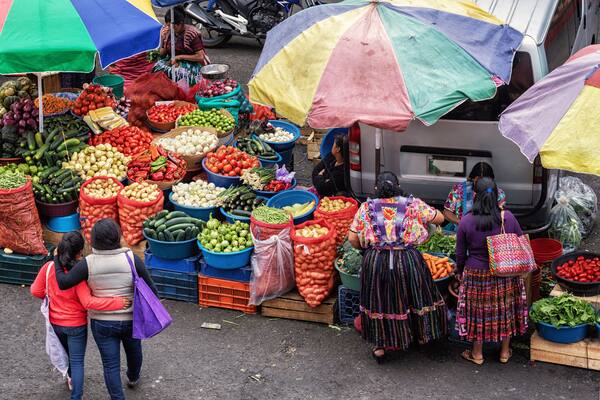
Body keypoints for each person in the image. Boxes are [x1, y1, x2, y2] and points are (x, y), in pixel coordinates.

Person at [348, 171, 447, 363]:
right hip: (407, 259)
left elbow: (352, 238)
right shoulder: (413, 204)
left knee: (378, 300)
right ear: (398, 186)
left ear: (376, 188)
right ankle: (419, 336)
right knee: (413, 296)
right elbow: (440, 218)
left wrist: (366, 247)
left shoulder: (366, 208)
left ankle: (380, 347)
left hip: (376, 260)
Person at [54, 219, 158, 400]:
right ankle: (133, 377)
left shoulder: (88, 263)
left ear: (93, 240)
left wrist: (56, 258)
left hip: (102, 323)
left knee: (110, 365)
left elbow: (63, 283)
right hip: (131, 319)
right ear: (117, 237)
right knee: (134, 350)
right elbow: (153, 291)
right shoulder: (131, 258)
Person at [30, 232, 131, 400]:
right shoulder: (78, 274)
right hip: (76, 326)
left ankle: (71, 380)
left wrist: (52, 298)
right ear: (79, 253)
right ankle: (76, 396)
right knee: (77, 361)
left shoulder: (48, 268)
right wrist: (118, 303)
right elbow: (88, 302)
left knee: (68, 354)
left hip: (56, 323)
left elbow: (35, 290)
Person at [455, 177, 528, 365]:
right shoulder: (508, 218)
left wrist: (460, 272)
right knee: (506, 310)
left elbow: (460, 253)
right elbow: (520, 242)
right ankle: (504, 352)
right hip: (505, 273)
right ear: (497, 195)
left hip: (476, 273)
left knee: (478, 313)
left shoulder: (466, 221)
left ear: (474, 195)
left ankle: (477, 354)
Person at [153, 6, 209, 86]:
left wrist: (179, 57)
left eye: (173, 26)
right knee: (157, 69)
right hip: (172, 61)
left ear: (181, 23)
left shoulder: (191, 33)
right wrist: (162, 39)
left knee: (179, 74)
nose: (170, 29)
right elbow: (162, 54)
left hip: (192, 64)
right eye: (168, 26)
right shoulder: (168, 32)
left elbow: (200, 57)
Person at [443, 162, 506, 231]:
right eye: (478, 181)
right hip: (461, 231)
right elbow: (447, 212)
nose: (481, 184)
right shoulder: (459, 189)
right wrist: (461, 222)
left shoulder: (499, 194)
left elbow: (501, 217)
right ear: (473, 179)